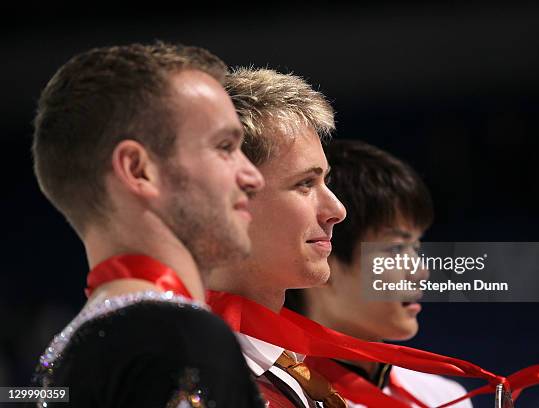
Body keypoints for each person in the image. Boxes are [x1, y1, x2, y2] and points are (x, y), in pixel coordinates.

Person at [30, 42, 265, 407]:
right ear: (139, 170)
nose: (252, 177)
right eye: (225, 147)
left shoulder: (60, 361)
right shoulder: (182, 339)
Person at [285, 140, 473, 408]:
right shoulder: (274, 396)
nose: (421, 271)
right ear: (325, 258)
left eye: (416, 246)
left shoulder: (448, 397)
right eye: (395, 249)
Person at [207, 68, 347, 407]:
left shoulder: (276, 368)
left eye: (325, 181)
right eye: (305, 184)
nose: (337, 209)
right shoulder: (193, 374)